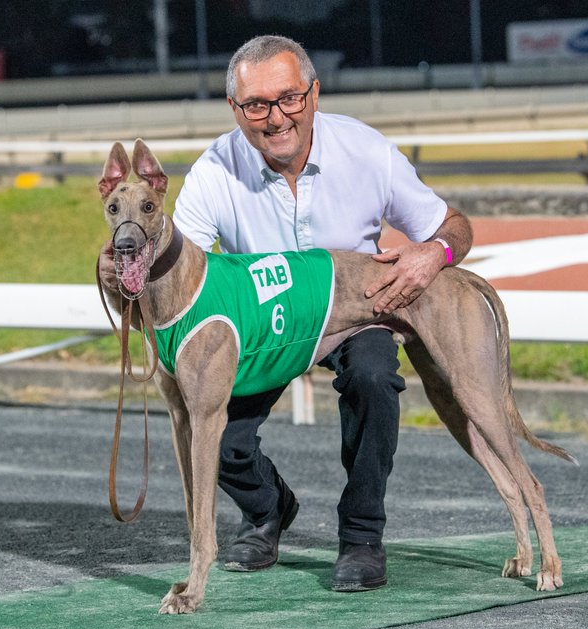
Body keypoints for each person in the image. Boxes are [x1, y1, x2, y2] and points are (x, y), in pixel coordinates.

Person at [106, 35, 472, 591]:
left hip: (355, 310)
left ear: (313, 94)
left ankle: (361, 536)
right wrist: (119, 270)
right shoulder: (215, 170)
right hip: (262, 323)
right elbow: (182, 277)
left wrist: (435, 253)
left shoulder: (365, 149)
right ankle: (269, 508)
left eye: (289, 98)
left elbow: (455, 227)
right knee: (218, 434)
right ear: (236, 110)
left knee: (374, 377)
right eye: (257, 105)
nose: (276, 117)